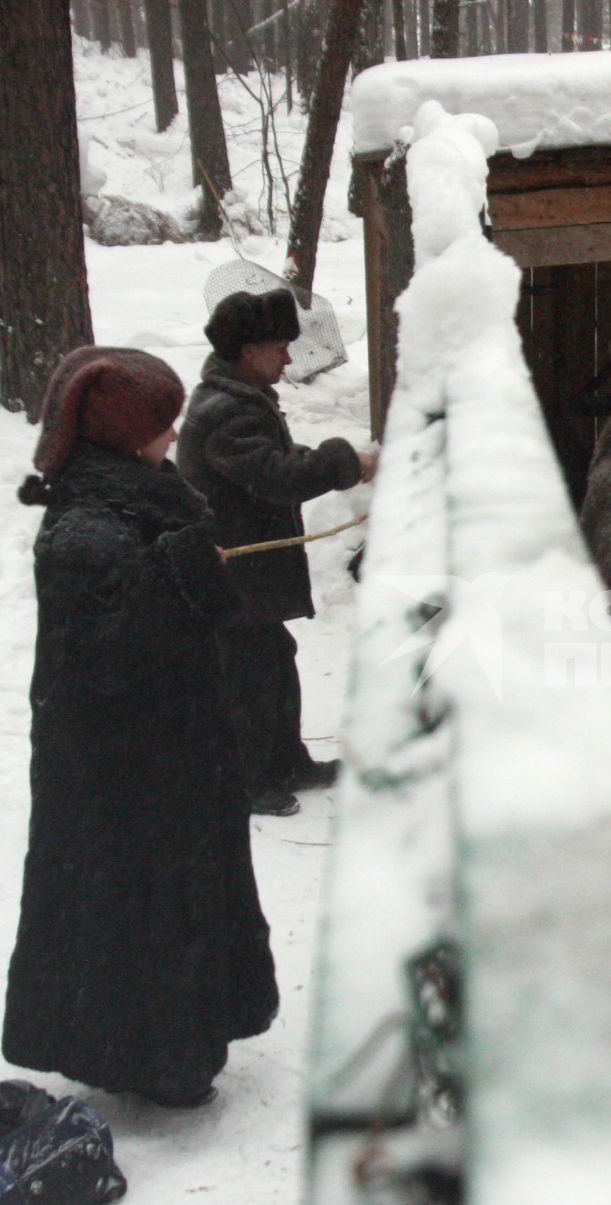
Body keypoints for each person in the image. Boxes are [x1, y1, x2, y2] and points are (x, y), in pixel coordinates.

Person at [4, 346, 278, 1109]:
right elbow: (108, 659)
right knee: (141, 911)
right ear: (127, 432)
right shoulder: (85, 529)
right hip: (124, 771)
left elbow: (163, 606)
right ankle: (151, 1059)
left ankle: (178, 1042)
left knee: (175, 903)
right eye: (163, 421)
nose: (174, 432)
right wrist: (188, 571)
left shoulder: (140, 498)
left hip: (168, 756)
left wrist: (189, 566)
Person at [176, 288, 374, 817]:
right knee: (247, 673)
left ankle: (285, 760)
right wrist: (343, 461)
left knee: (272, 658)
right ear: (247, 351)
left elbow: (272, 463)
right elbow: (275, 477)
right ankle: (245, 779)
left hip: (246, 567)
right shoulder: (227, 412)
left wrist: (331, 460)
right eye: (279, 346)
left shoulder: (237, 398)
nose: (289, 357)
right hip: (230, 569)